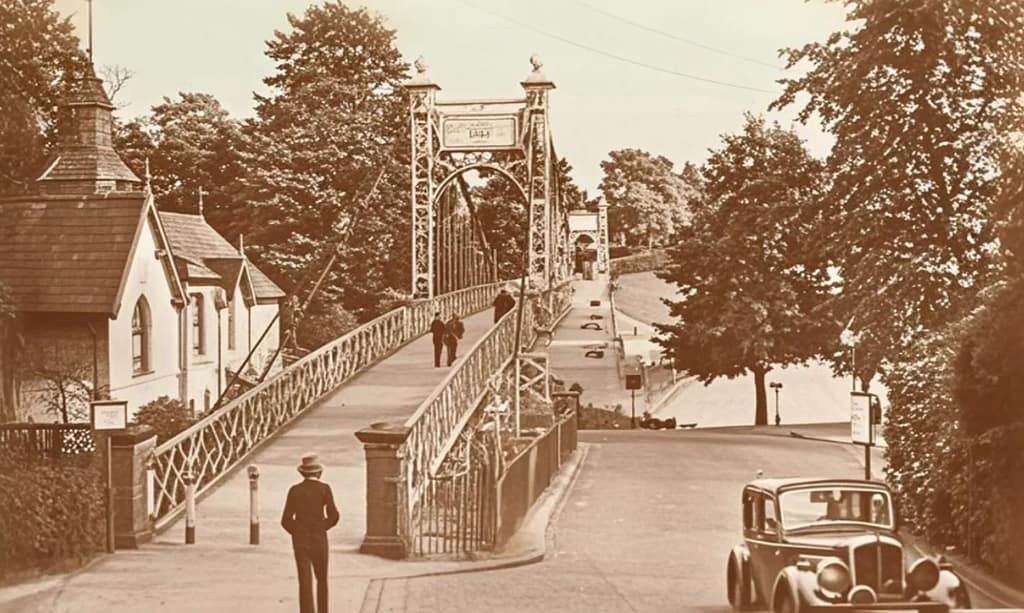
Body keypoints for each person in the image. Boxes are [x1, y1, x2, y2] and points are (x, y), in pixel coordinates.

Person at [281, 452, 340, 613]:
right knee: (322, 579)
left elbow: (285, 520)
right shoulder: (324, 489)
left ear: (302, 473)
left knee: (305, 581)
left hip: (300, 541)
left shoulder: (294, 490)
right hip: (319, 539)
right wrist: (321, 527)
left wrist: (298, 531)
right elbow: (334, 516)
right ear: (319, 473)